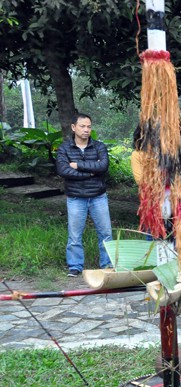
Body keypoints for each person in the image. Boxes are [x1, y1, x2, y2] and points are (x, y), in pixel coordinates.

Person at [56, 113, 113, 277]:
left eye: (89, 126)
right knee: (74, 234)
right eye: (82, 126)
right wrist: (90, 172)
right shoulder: (64, 148)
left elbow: (102, 167)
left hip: (98, 196)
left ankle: (107, 264)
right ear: (74, 127)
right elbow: (64, 171)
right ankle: (75, 266)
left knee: (106, 233)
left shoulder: (99, 146)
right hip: (75, 197)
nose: (86, 130)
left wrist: (77, 165)